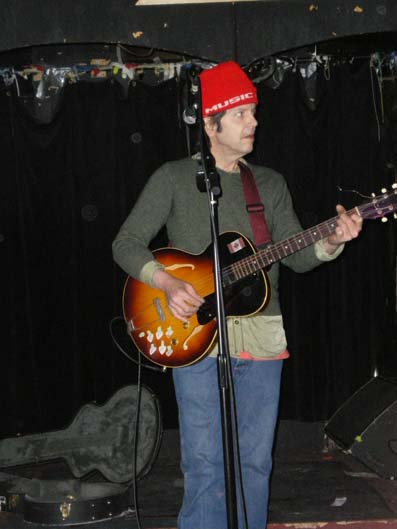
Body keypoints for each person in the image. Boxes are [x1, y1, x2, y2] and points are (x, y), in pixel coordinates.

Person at [112, 61, 363, 529]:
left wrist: (330, 242)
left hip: (263, 335)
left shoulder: (267, 183)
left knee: (255, 464)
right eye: (242, 113)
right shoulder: (171, 177)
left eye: (254, 112)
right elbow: (125, 243)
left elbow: (296, 255)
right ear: (210, 123)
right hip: (194, 334)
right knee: (204, 464)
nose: (254, 122)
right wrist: (166, 282)